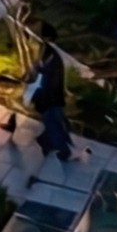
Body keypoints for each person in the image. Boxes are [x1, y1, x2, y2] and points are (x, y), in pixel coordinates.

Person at [31, 22, 74, 162]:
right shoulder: (50, 53)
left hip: (51, 96)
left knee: (52, 122)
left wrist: (37, 68)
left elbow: (47, 73)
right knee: (55, 120)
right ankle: (49, 142)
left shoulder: (50, 54)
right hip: (53, 95)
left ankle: (64, 150)